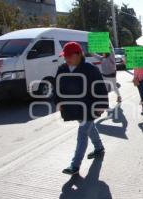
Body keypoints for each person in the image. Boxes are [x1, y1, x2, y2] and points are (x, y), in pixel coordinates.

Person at [54, 42, 109, 175]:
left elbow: (100, 87)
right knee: (89, 129)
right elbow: (57, 88)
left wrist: (101, 105)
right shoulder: (62, 69)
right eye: (65, 56)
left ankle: (75, 165)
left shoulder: (90, 69)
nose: (66, 59)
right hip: (72, 108)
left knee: (82, 133)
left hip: (89, 107)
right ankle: (99, 147)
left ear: (78, 55)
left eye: (69, 56)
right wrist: (58, 102)